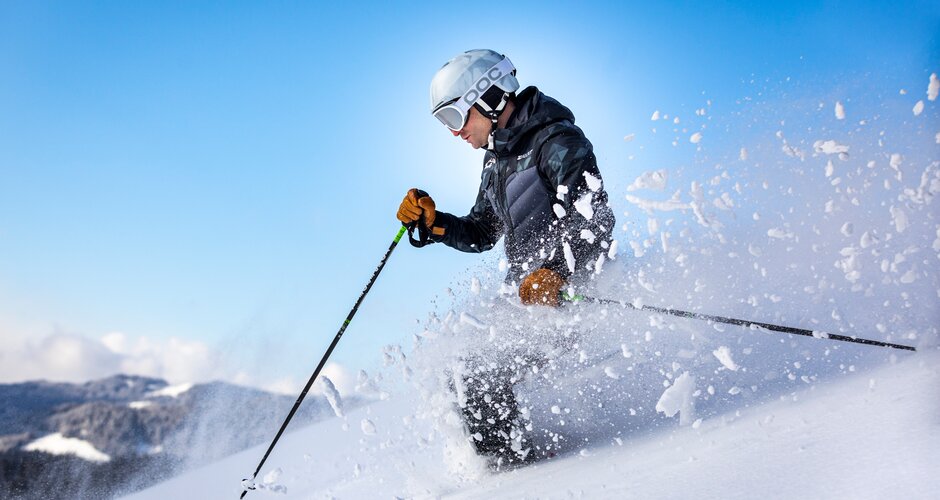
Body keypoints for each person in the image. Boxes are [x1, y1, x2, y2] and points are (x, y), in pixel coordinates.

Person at [397, 49, 615, 466]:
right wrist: (434, 221)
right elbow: (482, 232)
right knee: (465, 371)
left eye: (454, 118)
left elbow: (596, 220)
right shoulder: (498, 159)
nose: (454, 132)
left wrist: (555, 274)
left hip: (574, 300)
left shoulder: (556, 141)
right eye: (445, 122)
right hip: (532, 302)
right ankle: (514, 465)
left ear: (489, 97)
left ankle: (516, 477)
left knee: (477, 375)